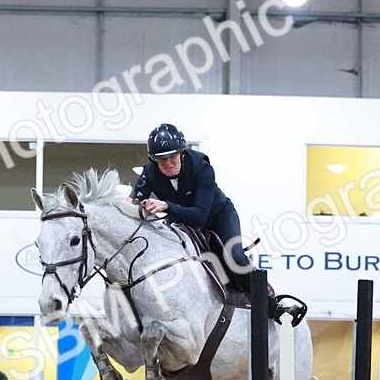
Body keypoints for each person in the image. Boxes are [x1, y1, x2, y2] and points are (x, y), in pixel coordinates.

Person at [130, 123, 304, 320]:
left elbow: (200, 217)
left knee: (235, 256)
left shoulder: (203, 168)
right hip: (180, 220)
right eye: (162, 159)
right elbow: (132, 201)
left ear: (182, 153)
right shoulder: (149, 172)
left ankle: (273, 301)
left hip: (217, 217)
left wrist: (166, 206)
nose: (168, 163)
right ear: (154, 160)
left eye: (172, 157)